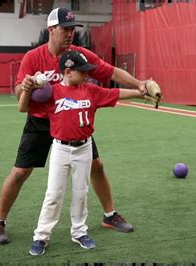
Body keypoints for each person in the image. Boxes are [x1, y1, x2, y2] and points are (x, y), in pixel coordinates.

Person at [0, 7, 151, 244]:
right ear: (51, 30)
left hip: (72, 121)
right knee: (20, 172)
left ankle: (110, 215)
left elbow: (111, 71)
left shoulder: (78, 55)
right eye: (65, 29)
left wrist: (141, 85)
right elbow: (19, 96)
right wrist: (26, 86)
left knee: (97, 165)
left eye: (72, 30)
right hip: (40, 121)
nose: (70, 34)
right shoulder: (33, 57)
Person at [18, 50, 146, 256]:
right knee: (54, 194)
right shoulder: (51, 92)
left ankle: (79, 232)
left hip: (84, 148)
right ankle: (41, 236)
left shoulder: (91, 90)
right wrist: (27, 89)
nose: (87, 75)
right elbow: (23, 108)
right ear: (68, 72)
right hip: (60, 148)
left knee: (81, 193)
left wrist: (142, 90)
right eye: (82, 72)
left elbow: (116, 94)